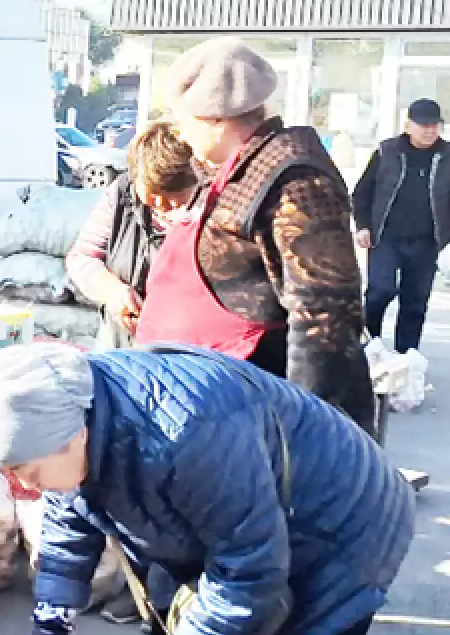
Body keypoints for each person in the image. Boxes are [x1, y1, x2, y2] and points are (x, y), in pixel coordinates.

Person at [0, 342, 413, 635]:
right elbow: (71, 511)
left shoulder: (186, 434)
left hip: (337, 527)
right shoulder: (75, 423)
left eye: (25, 470)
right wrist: (50, 628)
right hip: (233, 525)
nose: (19, 484)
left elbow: (248, 572)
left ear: (74, 436)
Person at [140, 37, 375, 433]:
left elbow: (324, 314)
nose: (180, 135)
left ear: (217, 118)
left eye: (184, 122)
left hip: (263, 408)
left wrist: (301, 426)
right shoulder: (235, 169)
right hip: (212, 399)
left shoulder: (297, 181)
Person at [66, 122, 198, 349]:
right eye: (151, 194)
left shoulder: (210, 213)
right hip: (120, 344)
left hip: (186, 352)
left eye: (172, 196)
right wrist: (113, 292)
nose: (160, 205)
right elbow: (82, 258)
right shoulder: (121, 196)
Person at [352, 97, 450, 354]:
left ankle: (407, 357)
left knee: (415, 302)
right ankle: (366, 345)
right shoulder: (387, 152)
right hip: (385, 238)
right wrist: (362, 225)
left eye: (435, 125)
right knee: (380, 291)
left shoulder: (447, 156)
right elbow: (362, 192)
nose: (430, 130)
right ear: (408, 125)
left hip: (427, 242)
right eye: (423, 125)